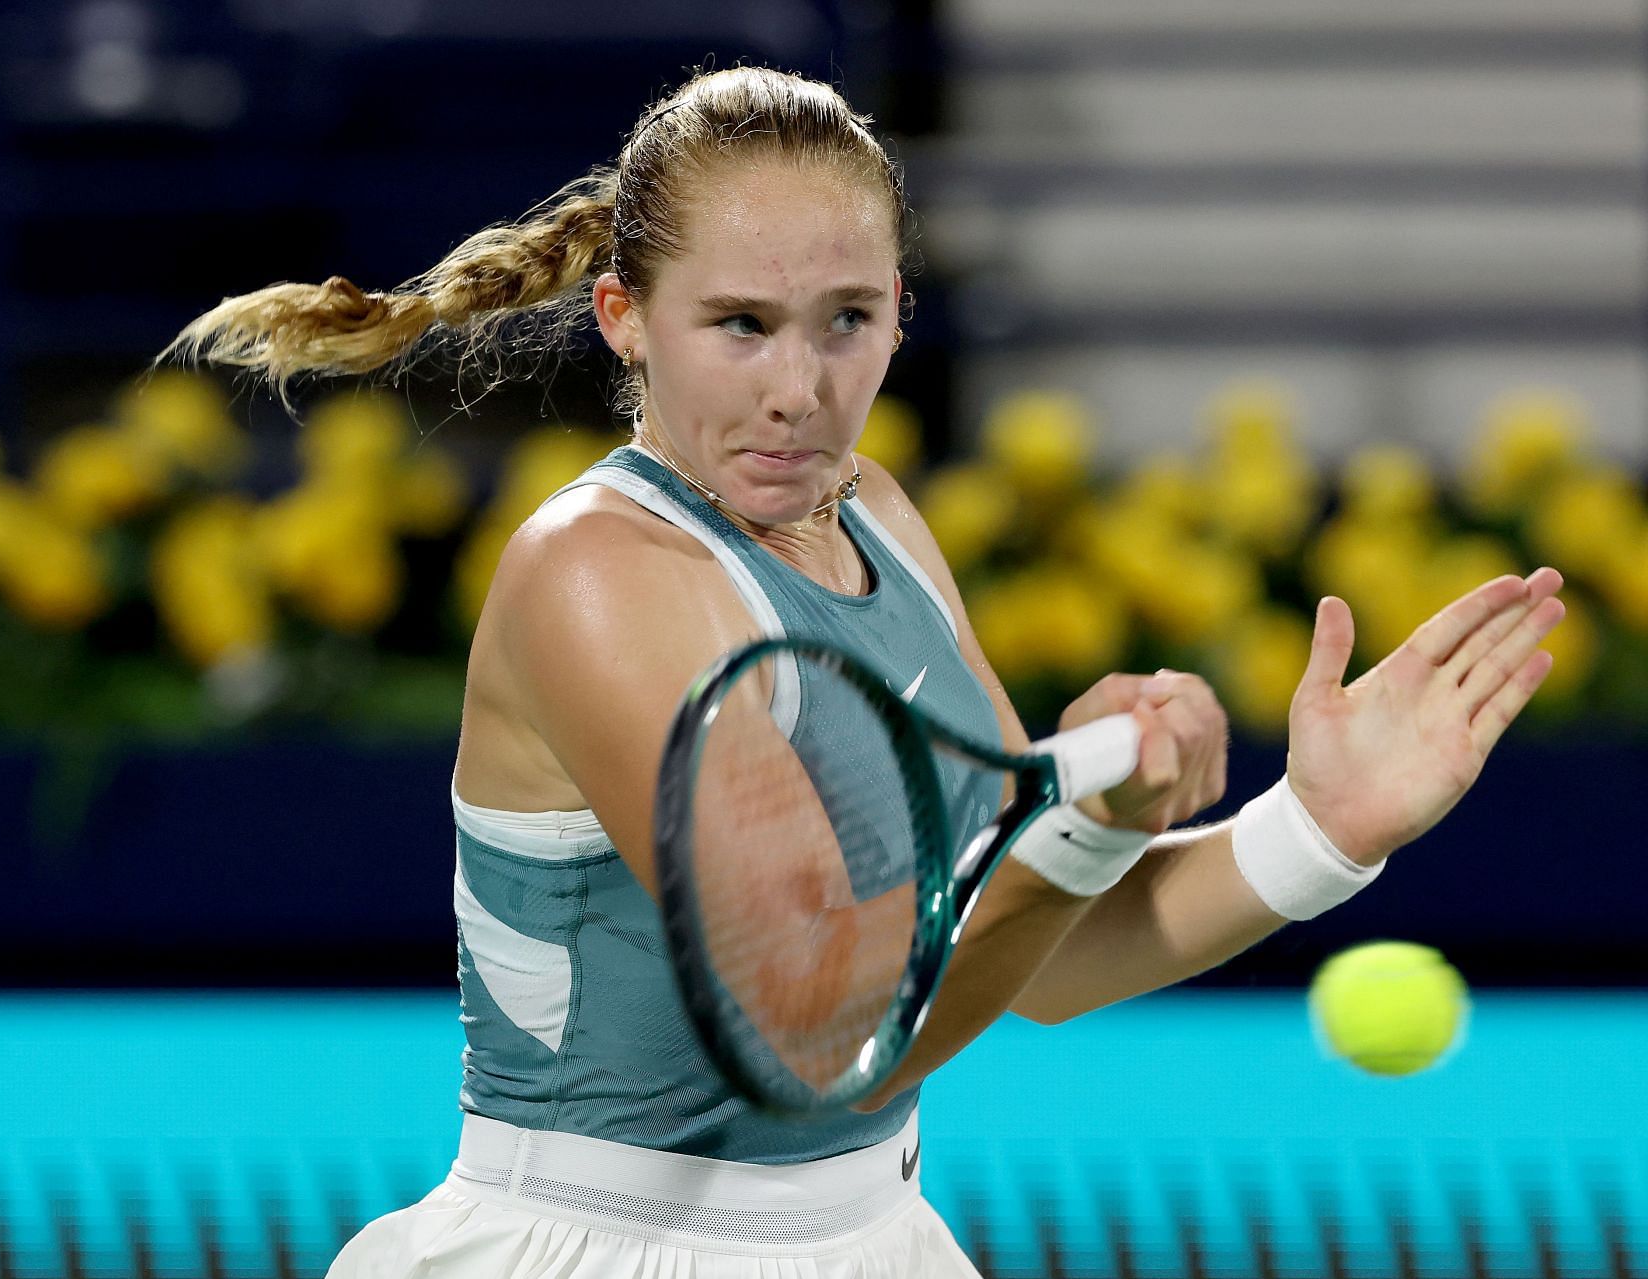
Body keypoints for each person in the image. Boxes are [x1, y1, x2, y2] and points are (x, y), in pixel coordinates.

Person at [167, 65, 1563, 1279]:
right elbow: (823, 1035)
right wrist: (1077, 817)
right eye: (740, 325)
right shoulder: (598, 577)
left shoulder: (878, 514)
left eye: (847, 321)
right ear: (622, 318)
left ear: (900, 314)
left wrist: (1316, 828)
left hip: (865, 1239)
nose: (800, 388)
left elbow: (1034, 958)